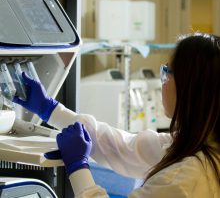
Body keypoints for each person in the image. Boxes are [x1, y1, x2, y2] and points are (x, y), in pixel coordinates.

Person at [13, 33, 220, 198]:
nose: (162, 79)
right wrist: (52, 110)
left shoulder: (185, 180)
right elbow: (122, 147)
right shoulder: (199, 146)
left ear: (190, 88)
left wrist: (78, 168)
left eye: (167, 71)